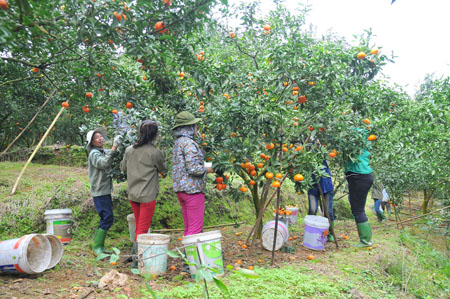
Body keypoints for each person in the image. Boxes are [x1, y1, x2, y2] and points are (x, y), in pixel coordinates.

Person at [121, 120, 167, 268]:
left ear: (140, 132)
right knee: (142, 229)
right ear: (155, 135)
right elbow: (163, 169)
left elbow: (123, 168)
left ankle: (135, 256)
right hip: (147, 196)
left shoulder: (129, 150)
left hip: (133, 195)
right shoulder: (155, 153)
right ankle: (136, 261)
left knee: (139, 226)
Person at [172, 111, 214, 236]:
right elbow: (193, 168)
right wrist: (209, 169)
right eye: (195, 126)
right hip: (192, 190)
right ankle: (192, 256)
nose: (197, 128)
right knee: (195, 229)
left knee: (189, 227)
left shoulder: (178, 143)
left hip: (181, 189)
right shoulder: (189, 144)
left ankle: (187, 254)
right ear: (189, 127)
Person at [86, 128, 121, 256]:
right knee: (107, 218)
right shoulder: (94, 154)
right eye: (97, 137)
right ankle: (97, 247)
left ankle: (99, 246)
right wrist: (115, 146)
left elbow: (112, 155)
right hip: (99, 191)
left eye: (101, 136)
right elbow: (104, 163)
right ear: (92, 143)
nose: (100, 138)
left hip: (104, 190)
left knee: (106, 217)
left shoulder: (102, 151)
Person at [344, 129, 374, 247]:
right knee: (359, 208)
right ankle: (367, 239)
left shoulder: (353, 141)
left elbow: (340, 141)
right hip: (364, 176)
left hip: (358, 177)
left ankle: (366, 241)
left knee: (358, 210)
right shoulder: (366, 141)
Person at [308, 160, 335, 242]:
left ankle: (330, 233)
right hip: (312, 184)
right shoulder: (307, 152)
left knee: (328, 211)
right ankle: (310, 232)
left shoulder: (322, 150)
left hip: (325, 182)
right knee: (312, 210)